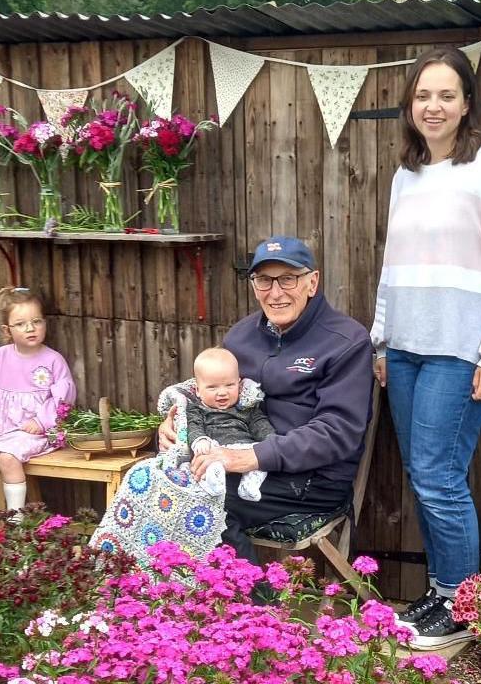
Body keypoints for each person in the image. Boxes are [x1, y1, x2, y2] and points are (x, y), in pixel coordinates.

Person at [371, 47, 481, 649]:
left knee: (438, 476)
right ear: (410, 106)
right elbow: (393, 266)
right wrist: (383, 341)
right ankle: (445, 591)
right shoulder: (407, 174)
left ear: (467, 103)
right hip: (409, 348)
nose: (433, 106)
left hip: (460, 350)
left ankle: (463, 603)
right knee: (425, 475)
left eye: (446, 95)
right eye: (423, 96)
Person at [159, 235, 374, 565]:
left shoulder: (346, 341)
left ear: (312, 282)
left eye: (288, 278)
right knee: (157, 479)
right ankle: (186, 599)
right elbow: (209, 387)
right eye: (263, 280)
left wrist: (250, 457)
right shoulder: (240, 336)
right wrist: (174, 422)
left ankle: (253, 605)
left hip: (311, 480)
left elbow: (337, 432)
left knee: (194, 497)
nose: (275, 293)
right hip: (236, 461)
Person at [0, 287, 75, 538]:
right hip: (2, 427)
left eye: (36, 321)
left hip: (35, 432)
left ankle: (16, 523)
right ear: (7, 330)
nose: (31, 328)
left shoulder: (52, 360)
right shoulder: (1, 357)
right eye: (21, 324)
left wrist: (42, 420)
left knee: (7, 458)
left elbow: (63, 396)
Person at [181, 347, 275, 501]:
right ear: (198, 390)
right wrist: (200, 439)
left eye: (229, 385)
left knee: (262, 461)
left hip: (245, 451)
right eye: (212, 387)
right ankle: (214, 483)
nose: (222, 392)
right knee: (206, 461)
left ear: (239, 384)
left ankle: (249, 486)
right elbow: (193, 425)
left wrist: (270, 439)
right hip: (214, 449)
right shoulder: (196, 409)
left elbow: (259, 423)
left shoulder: (247, 408)